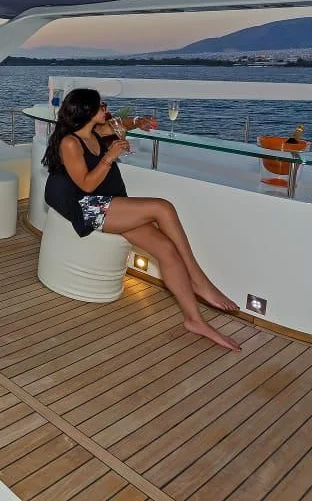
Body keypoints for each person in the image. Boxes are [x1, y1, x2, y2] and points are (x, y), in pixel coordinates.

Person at [43, 88, 242, 352]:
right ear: (87, 112)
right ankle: (200, 281)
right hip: (89, 208)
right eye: (101, 105)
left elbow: (117, 126)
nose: (106, 107)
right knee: (163, 208)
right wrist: (109, 157)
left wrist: (137, 122)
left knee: (167, 251)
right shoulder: (70, 142)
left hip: (112, 203)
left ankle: (194, 320)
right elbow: (87, 186)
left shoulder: (92, 133)